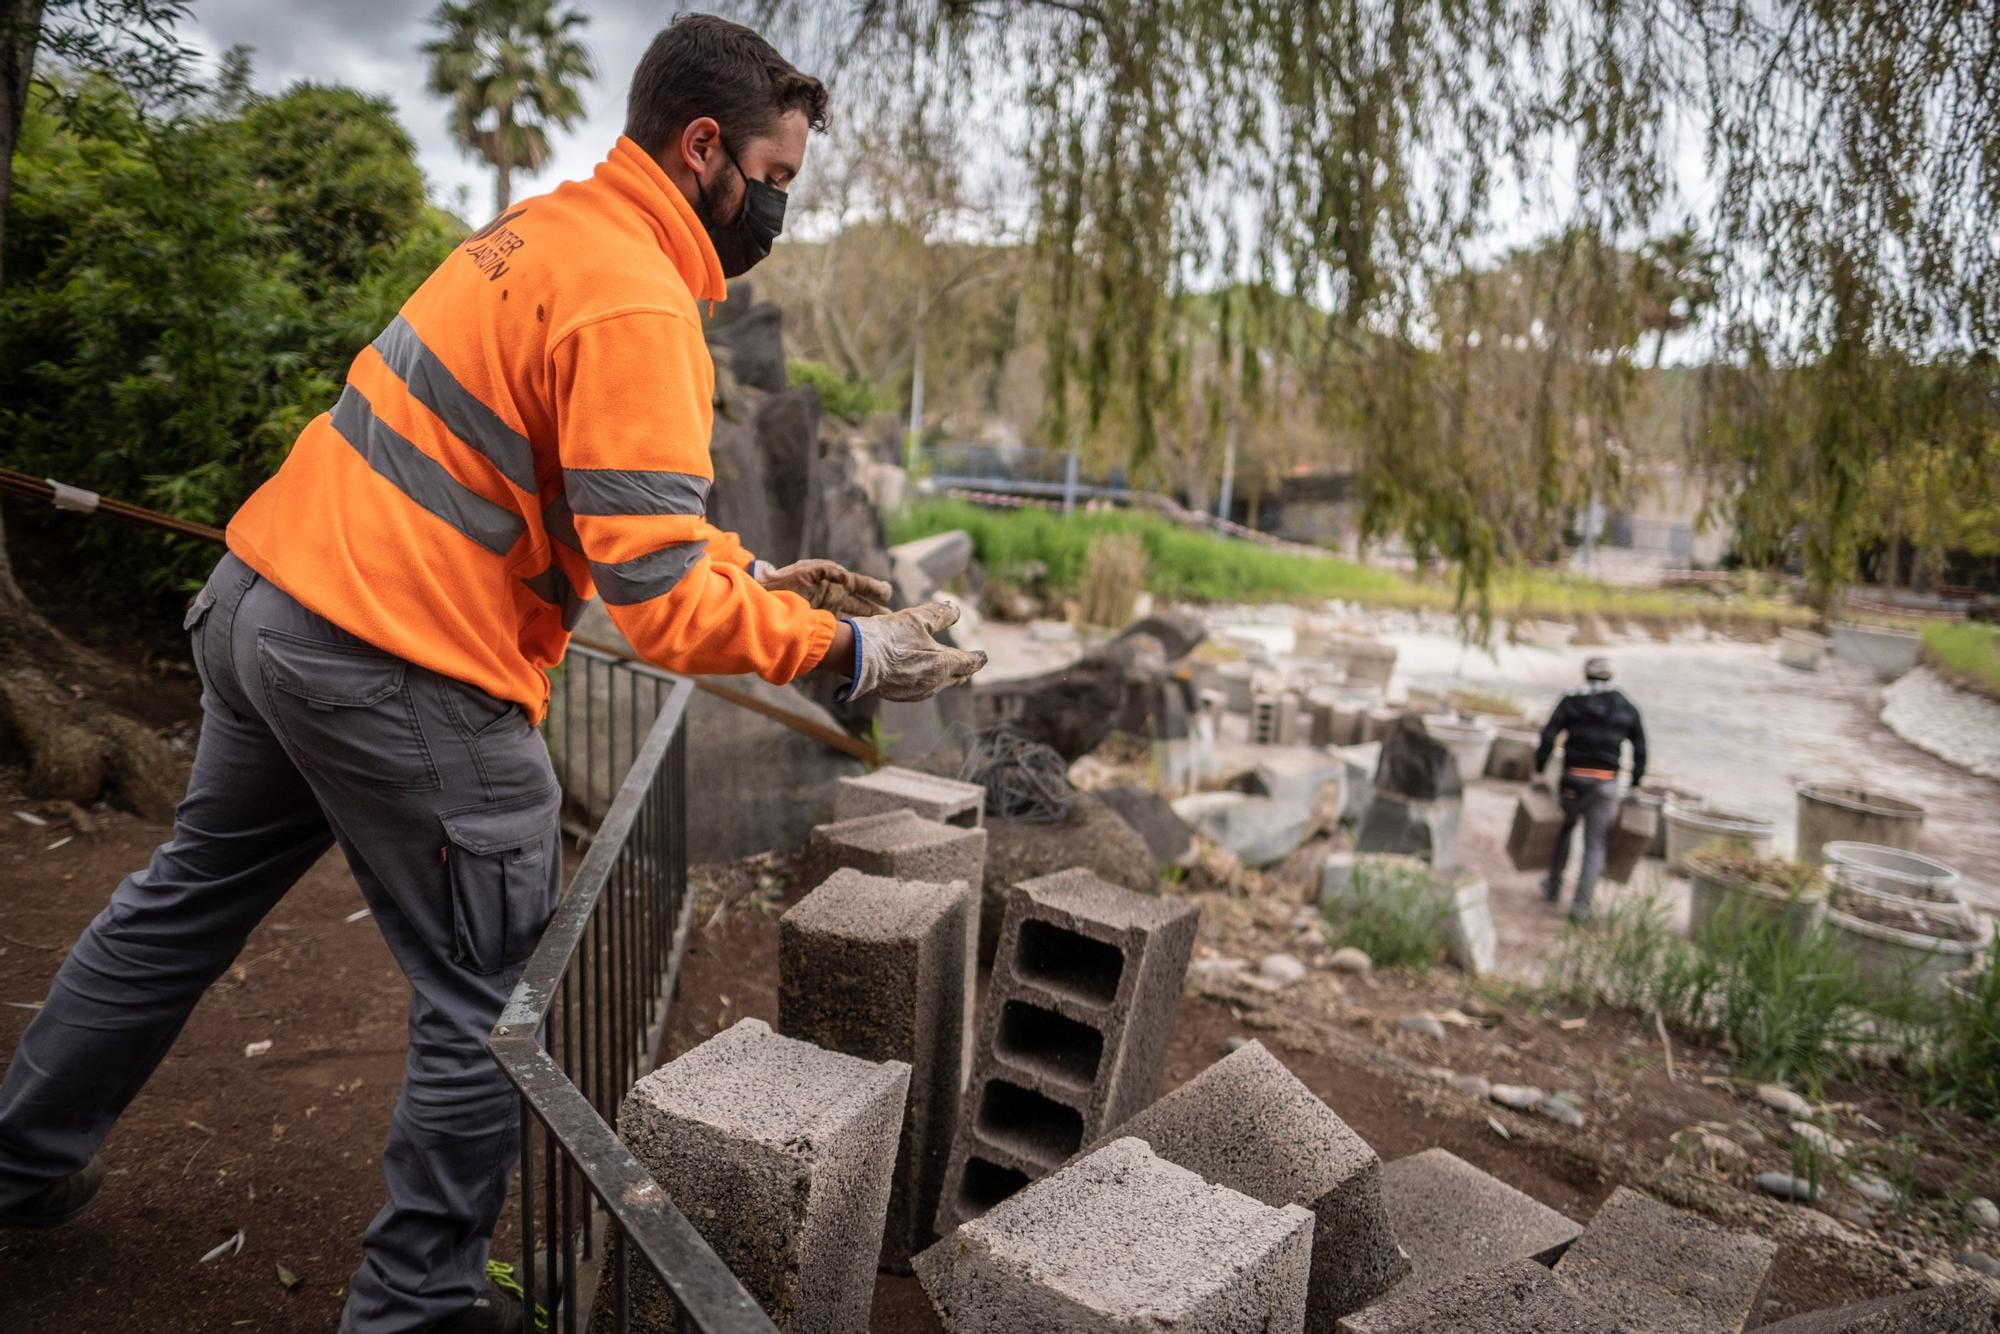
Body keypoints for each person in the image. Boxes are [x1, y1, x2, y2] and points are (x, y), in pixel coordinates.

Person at [0, 16, 982, 1333]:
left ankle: (23, 1158)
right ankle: (413, 1307)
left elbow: (610, 515)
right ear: (706, 152)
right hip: (395, 664)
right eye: (780, 174)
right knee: (493, 994)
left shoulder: (547, 232)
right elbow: (657, 610)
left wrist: (752, 576)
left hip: (264, 605)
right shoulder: (641, 299)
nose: (783, 204)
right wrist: (863, 654)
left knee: (181, 902)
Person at [1532, 655, 1647, 922]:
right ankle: (1581, 906)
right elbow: (1640, 747)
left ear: (1586, 674)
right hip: (1606, 782)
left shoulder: (1572, 701)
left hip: (1574, 779)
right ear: (1611, 676)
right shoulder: (1625, 705)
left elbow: (1548, 736)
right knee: (1595, 843)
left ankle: (1553, 885)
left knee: (1564, 831)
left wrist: (1539, 770)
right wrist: (1636, 782)